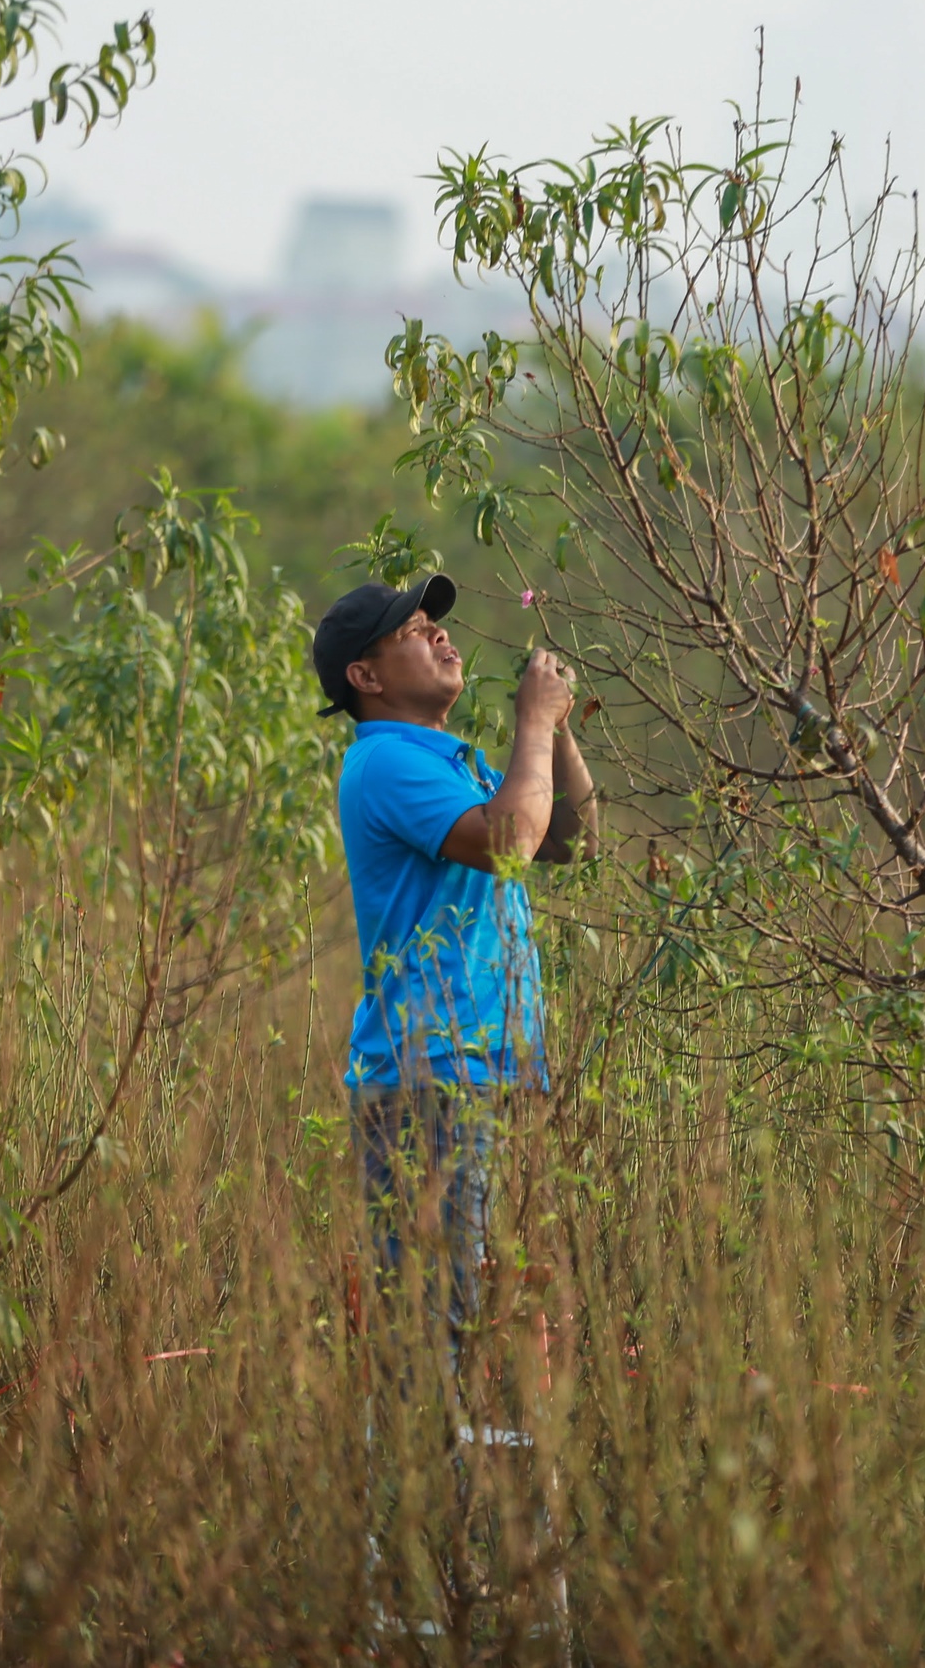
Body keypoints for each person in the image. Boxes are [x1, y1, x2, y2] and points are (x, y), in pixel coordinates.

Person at [310, 573, 595, 1343]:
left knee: (494, 1322)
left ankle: (474, 1461)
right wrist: (531, 722)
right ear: (365, 679)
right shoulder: (386, 763)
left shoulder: (447, 762)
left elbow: (567, 836)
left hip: (489, 1074)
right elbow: (510, 843)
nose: (438, 634)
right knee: (437, 1330)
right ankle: (428, 1464)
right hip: (430, 1084)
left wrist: (555, 728)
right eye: (412, 631)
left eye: (436, 623)